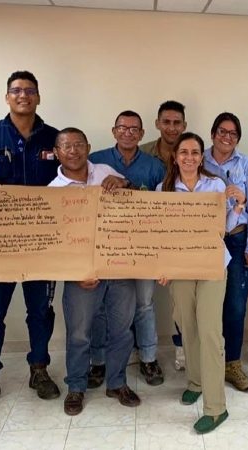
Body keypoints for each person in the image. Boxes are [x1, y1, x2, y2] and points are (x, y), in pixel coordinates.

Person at [0, 70, 60, 413]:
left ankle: (39, 368)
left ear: (38, 97)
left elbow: (74, 174)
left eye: (29, 90)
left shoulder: (53, 138)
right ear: (7, 97)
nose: (23, 96)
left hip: (43, 245)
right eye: (16, 91)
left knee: (41, 311)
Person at [156, 131, 245, 434]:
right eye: (184, 152)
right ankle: (195, 381)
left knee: (209, 331)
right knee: (187, 325)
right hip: (180, 267)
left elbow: (224, 229)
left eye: (195, 152)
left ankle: (216, 407)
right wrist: (163, 266)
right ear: (175, 156)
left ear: (201, 156)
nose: (190, 158)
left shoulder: (216, 185)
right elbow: (160, 234)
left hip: (211, 265)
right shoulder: (164, 189)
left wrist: (236, 206)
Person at [48, 127, 140, 415]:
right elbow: (54, 242)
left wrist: (123, 182)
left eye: (78, 145)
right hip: (81, 276)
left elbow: (137, 200)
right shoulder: (52, 191)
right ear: (57, 152)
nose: (73, 151)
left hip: (120, 267)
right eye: (67, 146)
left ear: (88, 147)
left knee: (122, 331)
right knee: (79, 334)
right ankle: (76, 387)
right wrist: (75, 273)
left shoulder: (103, 171)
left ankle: (117, 382)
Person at [89, 111, 167, 386]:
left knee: (144, 304)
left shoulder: (155, 166)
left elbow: (164, 207)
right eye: (123, 127)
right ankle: (97, 361)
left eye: (135, 129)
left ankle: (148, 358)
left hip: (145, 245)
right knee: (100, 307)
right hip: (106, 246)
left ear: (142, 134)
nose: (128, 133)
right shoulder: (95, 161)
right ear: (114, 131)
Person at [202, 112, 248, 392]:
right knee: (205, 306)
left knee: (236, 306)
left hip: (237, 241)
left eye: (233, 134)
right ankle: (206, 364)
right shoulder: (197, 159)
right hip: (205, 241)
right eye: (222, 132)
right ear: (213, 133)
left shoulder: (247, 164)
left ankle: (233, 364)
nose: (227, 138)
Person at [139, 100, 189, 371]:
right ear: (157, 124)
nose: (171, 127)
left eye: (177, 122)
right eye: (166, 122)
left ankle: (183, 352)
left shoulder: (193, 151)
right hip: (149, 239)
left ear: (184, 125)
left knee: (183, 301)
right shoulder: (143, 153)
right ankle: (146, 356)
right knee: (144, 301)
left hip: (184, 241)